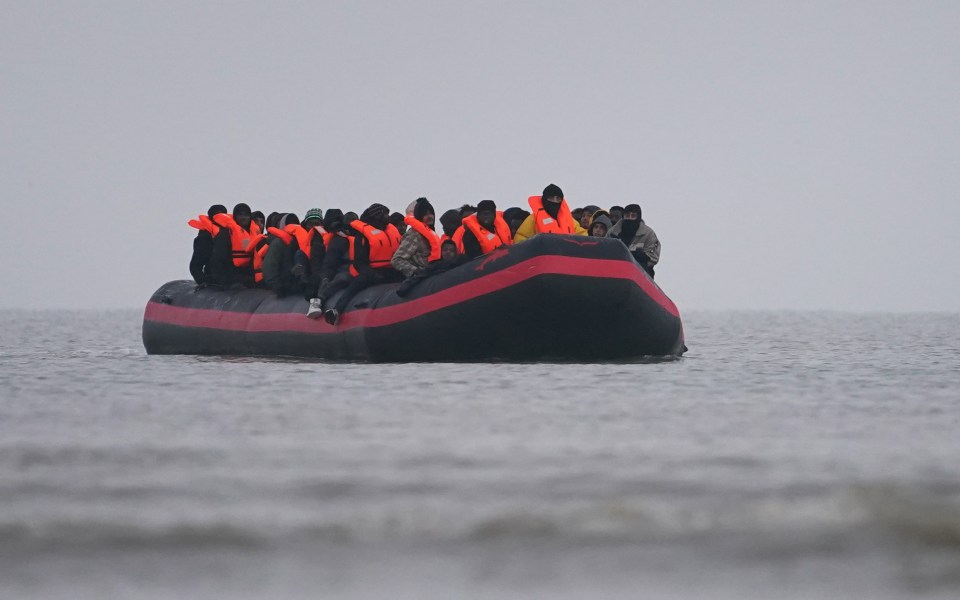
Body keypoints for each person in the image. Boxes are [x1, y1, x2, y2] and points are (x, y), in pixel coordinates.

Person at [323, 203, 402, 325]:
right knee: (353, 288)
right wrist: (373, 275)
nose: (387, 217)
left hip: (392, 269)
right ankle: (336, 310)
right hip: (371, 271)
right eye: (384, 214)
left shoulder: (391, 231)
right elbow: (359, 262)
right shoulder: (363, 235)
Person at [306, 210, 356, 319]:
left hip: (351, 271)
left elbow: (329, 264)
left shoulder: (338, 239)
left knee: (339, 280)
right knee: (344, 280)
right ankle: (324, 302)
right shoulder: (350, 237)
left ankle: (319, 301)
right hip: (356, 271)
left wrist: (324, 278)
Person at [208, 203, 262, 286]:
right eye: (240, 215)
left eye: (246, 215)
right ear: (235, 217)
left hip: (248, 276)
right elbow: (217, 260)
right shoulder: (225, 234)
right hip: (230, 277)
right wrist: (223, 281)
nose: (243, 218)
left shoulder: (254, 234)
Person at [513, 184, 586, 242]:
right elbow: (520, 238)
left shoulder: (570, 221)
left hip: (566, 257)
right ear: (544, 199)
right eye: (551, 198)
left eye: (558, 199)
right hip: (543, 258)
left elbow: (583, 235)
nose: (554, 201)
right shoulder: (533, 219)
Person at [606, 203, 660, 278]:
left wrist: (636, 257)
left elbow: (653, 257)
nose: (630, 218)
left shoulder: (648, 234)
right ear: (623, 216)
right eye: (627, 216)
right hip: (614, 273)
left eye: (633, 216)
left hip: (640, 276)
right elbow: (605, 252)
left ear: (638, 217)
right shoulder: (612, 233)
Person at [396, 239, 463, 297]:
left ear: (455, 253)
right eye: (445, 250)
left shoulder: (461, 262)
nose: (448, 252)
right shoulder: (435, 265)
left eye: (451, 250)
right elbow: (421, 276)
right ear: (441, 252)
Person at [392, 197, 440, 278]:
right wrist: (416, 271)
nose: (429, 216)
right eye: (425, 214)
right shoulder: (414, 234)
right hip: (421, 279)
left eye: (431, 213)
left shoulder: (432, 234)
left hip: (433, 274)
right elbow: (397, 260)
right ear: (419, 216)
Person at [261, 213, 307, 296]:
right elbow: (269, 268)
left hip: (299, 285)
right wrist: (278, 286)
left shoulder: (302, 243)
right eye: (289, 223)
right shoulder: (278, 243)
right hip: (283, 285)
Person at [188, 204, 227, 284]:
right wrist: (202, 281)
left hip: (230, 278)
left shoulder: (231, 234)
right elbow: (195, 265)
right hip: (213, 279)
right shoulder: (204, 238)